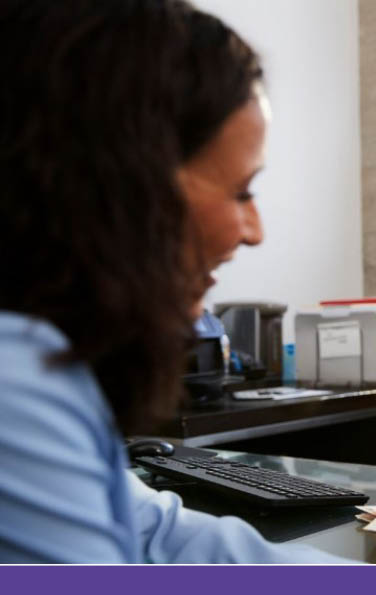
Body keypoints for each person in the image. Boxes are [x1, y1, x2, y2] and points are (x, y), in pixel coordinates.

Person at [0, 0, 346, 563]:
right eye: (241, 192)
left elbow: (155, 533)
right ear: (123, 186)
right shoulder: (17, 379)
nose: (254, 231)